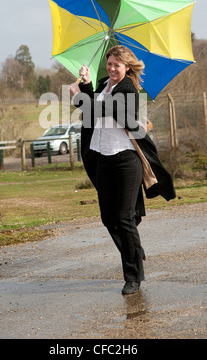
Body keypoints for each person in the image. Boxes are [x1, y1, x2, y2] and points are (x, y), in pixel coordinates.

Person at [70, 45, 176, 295]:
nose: (111, 68)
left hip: (126, 161)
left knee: (124, 218)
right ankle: (135, 252)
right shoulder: (105, 83)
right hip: (103, 159)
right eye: (109, 63)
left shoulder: (128, 89)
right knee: (109, 218)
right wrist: (86, 85)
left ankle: (133, 277)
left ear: (127, 67)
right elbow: (93, 112)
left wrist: (78, 96)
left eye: (117, 65)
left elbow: (101, 109)